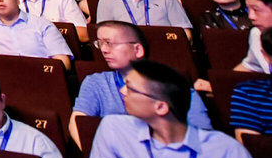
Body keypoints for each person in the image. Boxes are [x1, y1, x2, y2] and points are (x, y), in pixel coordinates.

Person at [89, 60, 272, 158]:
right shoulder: (114, 129)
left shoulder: (226, 150)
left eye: (130, 88)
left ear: (160, 107)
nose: (122, 91)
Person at [75, 21, 212, 128]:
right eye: (100, 43)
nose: (104, 50)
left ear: (138, 49)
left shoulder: (174, 86)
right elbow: (78, 123)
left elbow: (202, 135)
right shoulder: (96, 82)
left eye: (110, 43)